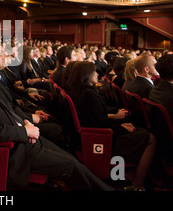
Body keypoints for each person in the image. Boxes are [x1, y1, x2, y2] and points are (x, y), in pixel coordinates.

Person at [0, 54, 114, 191]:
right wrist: (26, 131)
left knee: (71, 160)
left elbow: (11, 111)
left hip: (24, 139)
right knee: (71, 165)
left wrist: (26, 122)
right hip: (16, 150)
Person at [66, 61, 156, 191]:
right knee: (150, 138)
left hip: (94, 136)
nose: (97, 74)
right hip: (102, 140)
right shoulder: (89, 95)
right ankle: (137, 183)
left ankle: (127, 175)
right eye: (94, 72)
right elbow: (100, 125)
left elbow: (97, 119)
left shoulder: (78, 91)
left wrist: (120, 125)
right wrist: (122, 128)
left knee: (138, 132)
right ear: (86, 75)